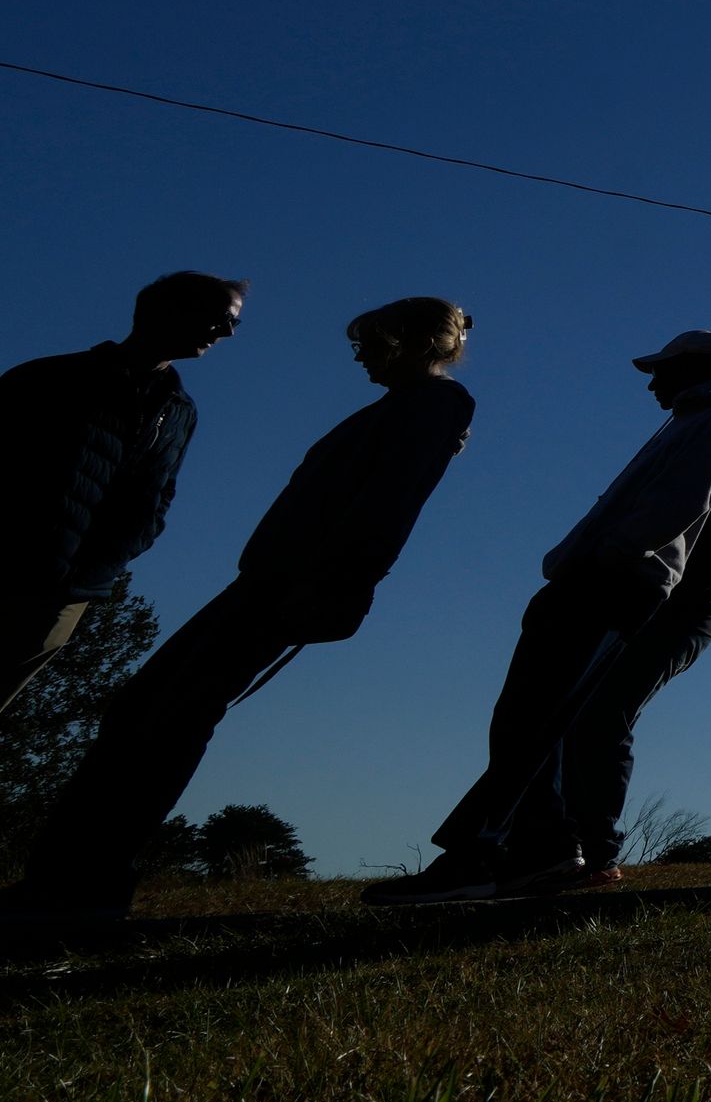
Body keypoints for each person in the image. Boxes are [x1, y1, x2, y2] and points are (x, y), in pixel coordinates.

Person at [7, 296, 467, 915]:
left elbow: (390, 503)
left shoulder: (435, 404)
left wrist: (344, 584)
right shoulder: (406, 407)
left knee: (168, 716)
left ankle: (80, 885)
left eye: (370, 342)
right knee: (146, 711)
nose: (359, 355)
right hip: (270, 578)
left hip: (295, 582)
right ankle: (71, 879)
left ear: (406, 342)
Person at [370, 329, 711, 904]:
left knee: (533, 720)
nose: (652, 381)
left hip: (611, 583)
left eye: (662, 369)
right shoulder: (693, 417)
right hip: (601, 579)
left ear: (697, 367)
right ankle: (541, 852)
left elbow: (682, 502)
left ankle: (480, 855)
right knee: (531, 719)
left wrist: (608, 554)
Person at [503, 404, 711, 891]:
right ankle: (565, 847)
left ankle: (596, 854)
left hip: (675, 621)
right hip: (662, 615)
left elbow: (708, 566)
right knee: (584, 718)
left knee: (604, 717)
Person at [2, 271, 244, 714]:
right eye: (220, 318)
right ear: (168, 310)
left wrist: (107, 563)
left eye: (234, 324)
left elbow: (157, 498)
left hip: (71, 594)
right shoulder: (51, 378)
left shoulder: (180, 411)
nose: (227, 332)